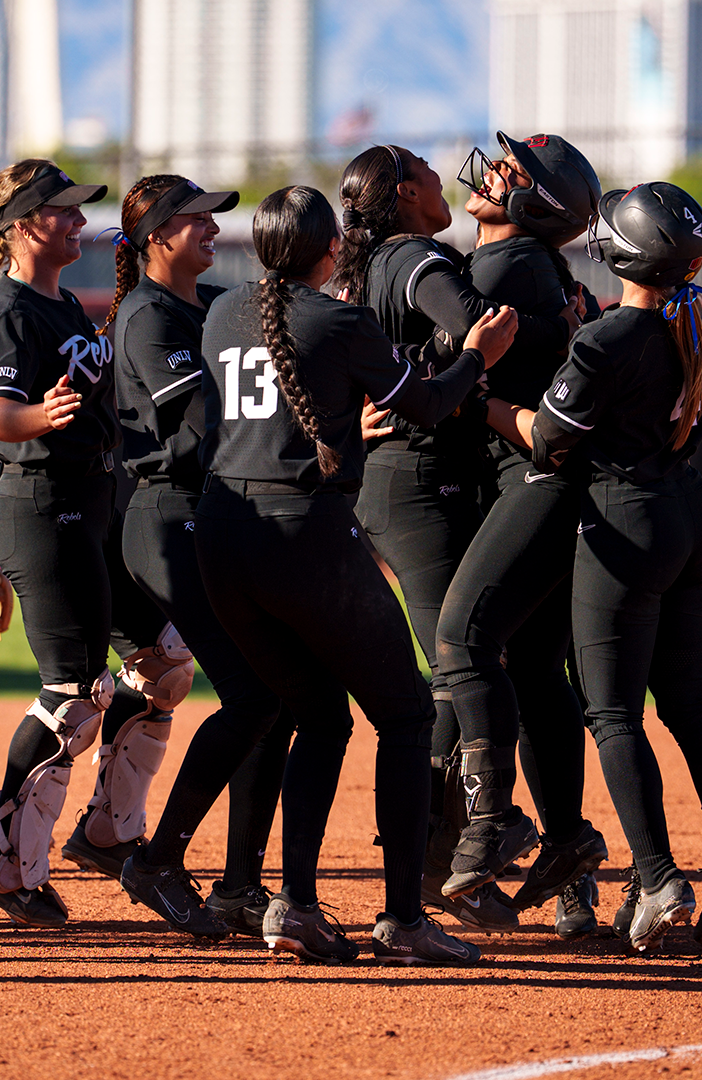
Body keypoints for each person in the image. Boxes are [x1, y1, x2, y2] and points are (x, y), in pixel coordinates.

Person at [193, 184, 516, 965]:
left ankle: (295, 906)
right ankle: (403, 918)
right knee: (405, 715)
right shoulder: (341, 321)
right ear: (330, 249)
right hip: (302, 534)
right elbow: (428, 405)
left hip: (222, 535)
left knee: (320, 715)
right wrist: (478, 354)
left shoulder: (223, 311)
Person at [496, 181, 702, 954]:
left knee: (612, 712)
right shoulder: (689, 319)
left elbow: (548, 439)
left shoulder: (608, 338)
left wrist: (480, 399)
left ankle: (657, 878)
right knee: (689, 704)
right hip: (690, 512)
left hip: (628, 521)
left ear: (623, 253)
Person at [332, 142, 579, 934]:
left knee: (459, 664)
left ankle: (448, 861)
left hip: (408, 479)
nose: (450, 174)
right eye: (427, 171)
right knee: (460, 655)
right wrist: (564, 326)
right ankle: (476, 835)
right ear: (406, 194)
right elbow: (481, 327)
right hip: (414, 480)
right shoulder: (418, 258)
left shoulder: (371, 264)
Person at [86, 173, 297, 939]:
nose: (212, 228)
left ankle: (239, 883)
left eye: (212, 218)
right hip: (168, 517)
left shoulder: (209, 305)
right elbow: (210, 417)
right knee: (253, 693)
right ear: (156, 237)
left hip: (214, 515)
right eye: (197, 218)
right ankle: (157, 861)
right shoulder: (146, 315)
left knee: (276, 695)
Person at [434, 132, 609, 937]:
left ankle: (495, 825)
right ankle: (570, 851)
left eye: (515, 172)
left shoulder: (505, 265)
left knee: (464, 637)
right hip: (536, 484)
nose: (495, 172)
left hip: (534, 483)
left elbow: (436, 355)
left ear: (539, 204)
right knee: (537, 671)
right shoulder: (539, 268)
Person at [0, 159, 114, 928]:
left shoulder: (66, 303)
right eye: (63, 210)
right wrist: (40, 417)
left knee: (86, 695)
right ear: (22, 225)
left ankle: (16, 857)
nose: (78, 221)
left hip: (82, 507)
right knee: (69, 697)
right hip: (42, 509)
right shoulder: (9, 309)